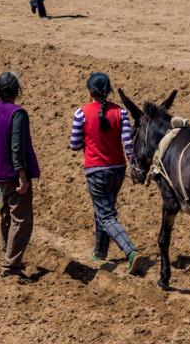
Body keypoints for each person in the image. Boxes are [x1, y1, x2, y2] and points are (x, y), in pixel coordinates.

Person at [69, 72, 142, 274]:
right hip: (118, 169)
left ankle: (131, 252)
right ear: (108, 91)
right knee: (103, 209)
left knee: (106, 215)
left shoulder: (81, 113)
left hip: (95, 170)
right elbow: (128, 144)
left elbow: (74, 144)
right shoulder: (121, 113)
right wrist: (134, 165)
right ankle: (99, 253)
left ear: (90, 91)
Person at [0, 71, 40, 278]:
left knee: (6, 216)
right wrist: (22, 177)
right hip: (14, 174)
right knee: (21, 219)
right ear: (16, 91)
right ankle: (12, 265)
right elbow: (17, 147)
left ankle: (7, 258)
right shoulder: (17, 114)